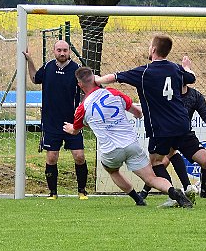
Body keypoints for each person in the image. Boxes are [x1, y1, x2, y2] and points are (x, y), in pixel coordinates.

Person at [95, 34, 206, 203]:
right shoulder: (175, 68)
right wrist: (186, 67)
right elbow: (192, 78)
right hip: (181, 125)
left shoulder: (144, 72)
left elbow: (116, 77)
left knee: (156, 162)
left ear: (153, 49)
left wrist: (98, 79)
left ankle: (176, 195)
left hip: (160, 129)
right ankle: (186, 191)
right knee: (199, 159)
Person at [63, 67, 193, 208]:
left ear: (80, 84)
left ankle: (138, 199)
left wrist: (70, 128)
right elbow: (137, 112)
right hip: (131, 145)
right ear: (95, 78)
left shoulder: (82, 108)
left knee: (112, 170)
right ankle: (173, 191)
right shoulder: (114, 93)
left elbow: (75, 130)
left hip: (111, 151)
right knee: (150, 178)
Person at [138, 83, 206, 204]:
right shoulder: (167, 93)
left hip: (186, 135)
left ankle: (204, 191)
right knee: (162, 162)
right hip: (168, 133)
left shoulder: (195, 96)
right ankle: (149, 192)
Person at [23, 40, 88, 200]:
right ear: (54, 51)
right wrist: (30, 60)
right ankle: (53, 193)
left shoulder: (76, 70)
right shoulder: (48, 67)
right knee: (52, 157)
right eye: (59, 50)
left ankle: (82, 191)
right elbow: (34, 78)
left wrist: (81, 115)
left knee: (79, 156)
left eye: (65, 50)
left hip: (72, 123)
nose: (62, 53)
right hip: (51, 122)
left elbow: (87, 90)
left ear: (69, 51)